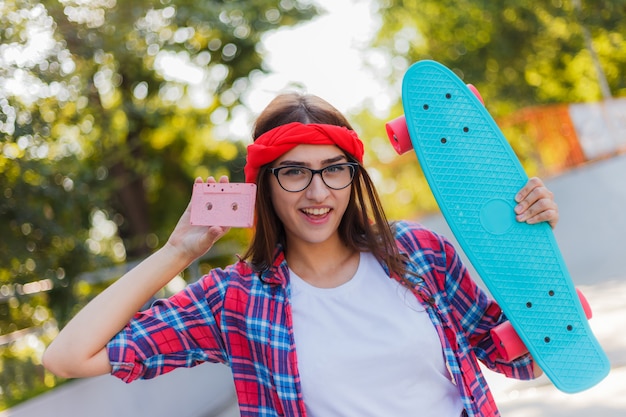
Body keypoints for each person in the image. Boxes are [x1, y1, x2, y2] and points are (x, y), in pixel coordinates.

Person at [43, 93, 559, 417]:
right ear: (264, 185)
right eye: (294, 172)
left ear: (353, 177)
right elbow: (68, 356)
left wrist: (534, 250)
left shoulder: (420, 254)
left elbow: (521, 359)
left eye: (334, 169)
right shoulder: (236, 299)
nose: (318, 192)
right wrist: (177, 251)